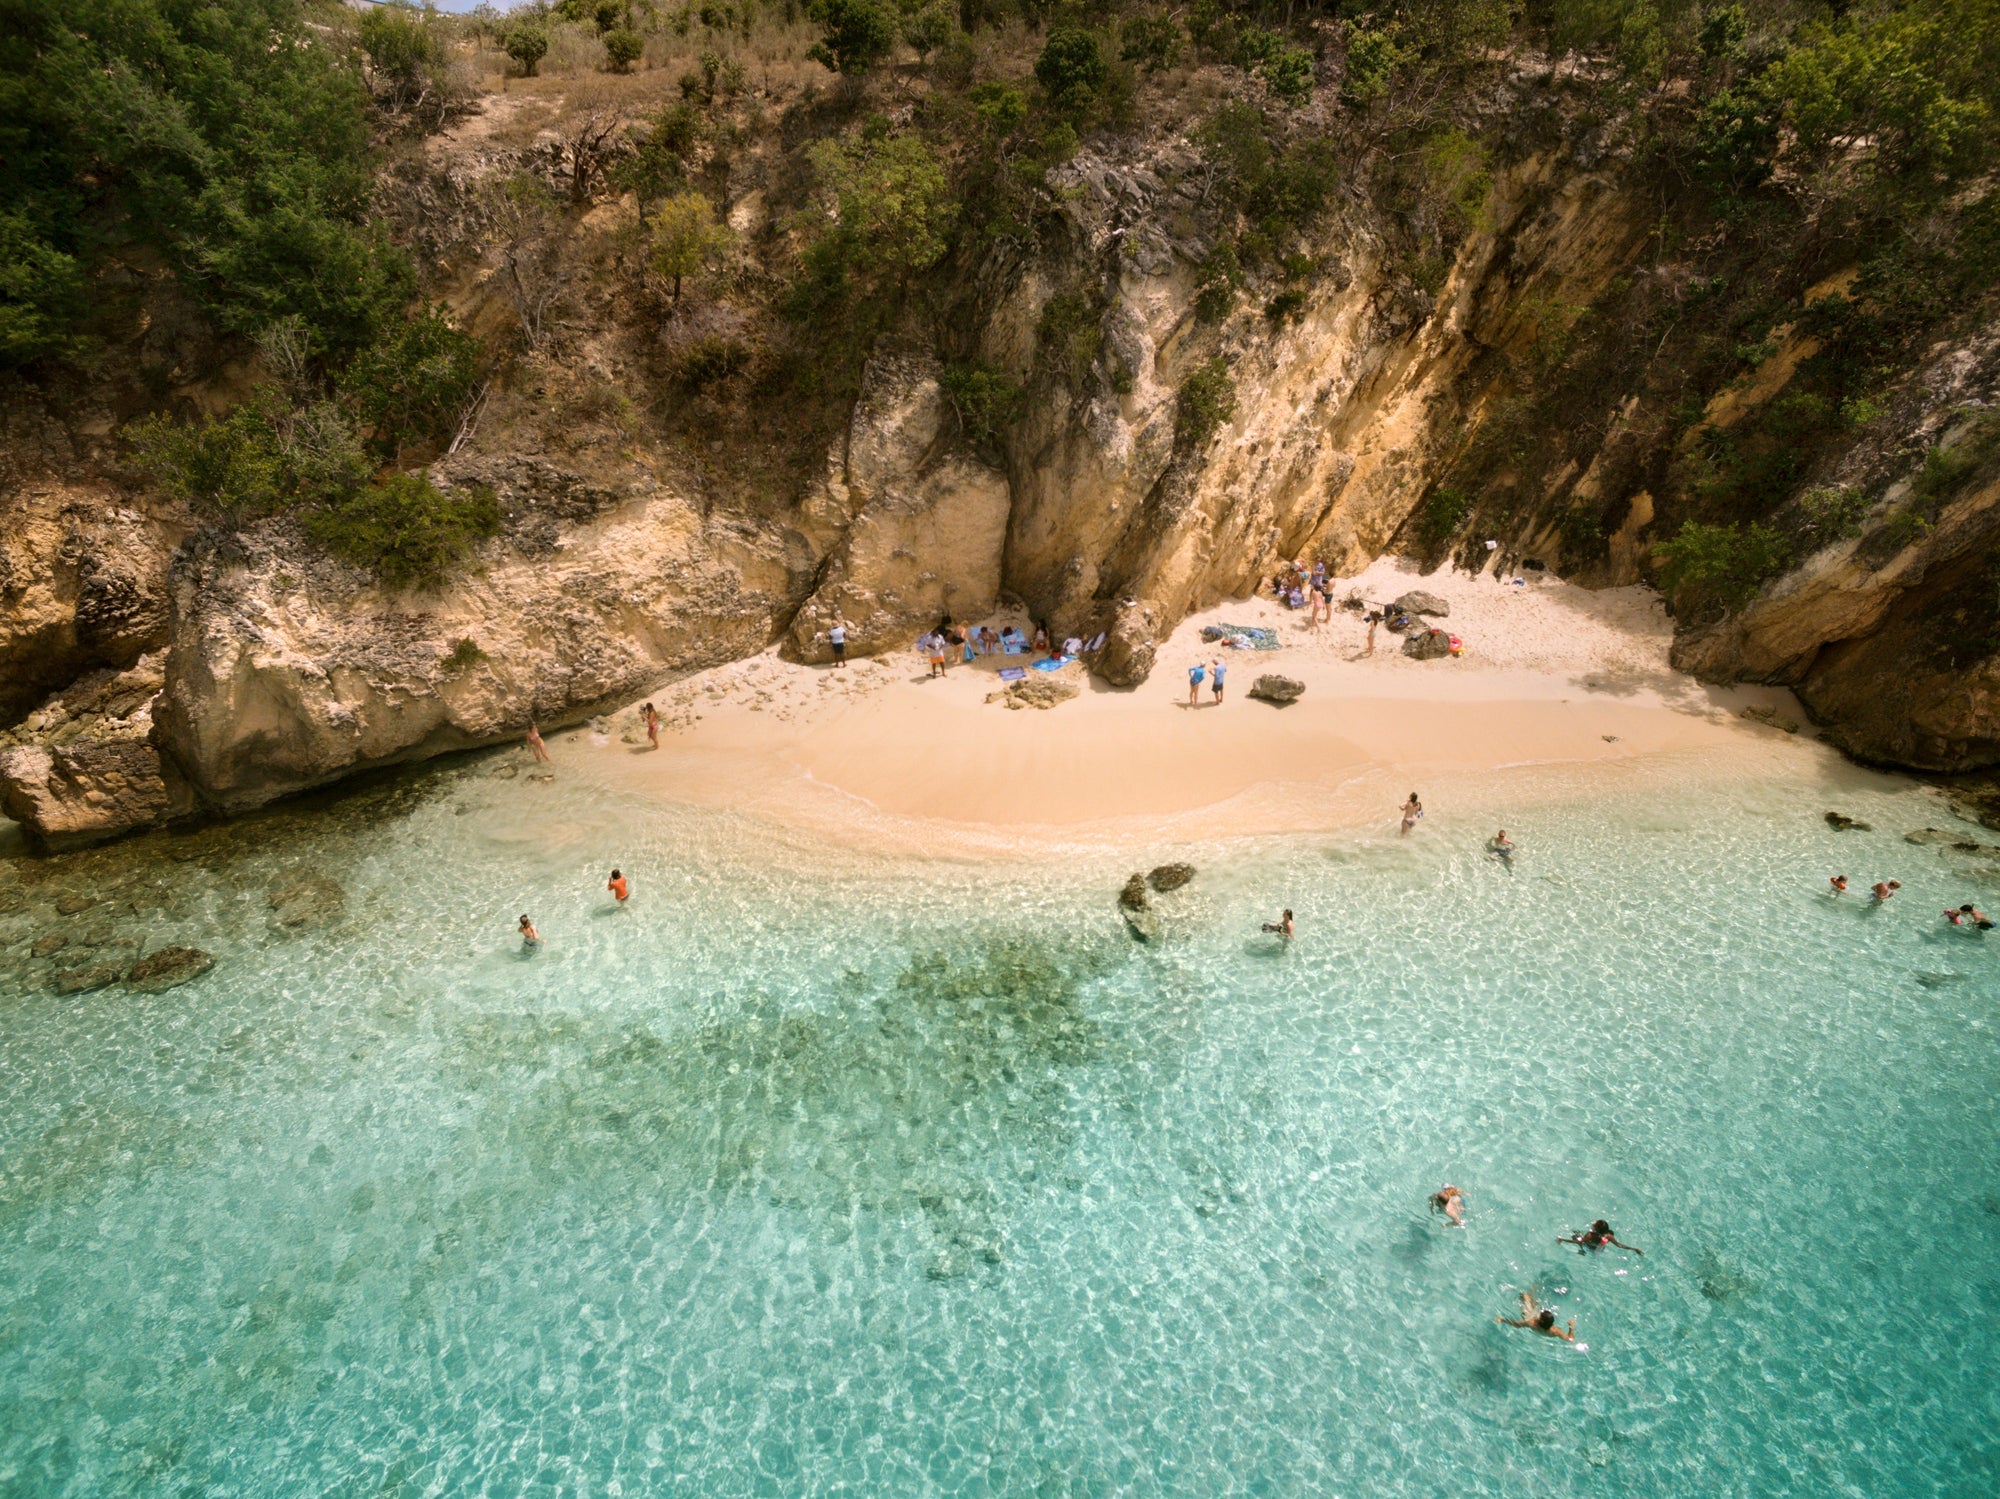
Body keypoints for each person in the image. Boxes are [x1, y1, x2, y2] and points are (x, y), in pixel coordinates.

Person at [1497, 1292, 1574, 1341]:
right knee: (1535, 1303)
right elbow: (1570, 1339)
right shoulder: (1554, 1331)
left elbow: (1517, 1325)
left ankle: (1524, 1295)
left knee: (1525, 1296)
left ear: (1540, 1319)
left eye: (1540, 1315)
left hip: (1528, 1316)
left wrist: (1503, 1320)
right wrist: (1571, 1327)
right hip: (1541, 1329)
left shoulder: (1532, 1323)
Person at [1559, 1219, 1643, 1256]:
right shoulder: (1609, 1236)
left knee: (1575, 1234)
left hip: (1590, 1246)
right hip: (1599, 1249)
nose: (1594, 1222)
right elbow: (1619, 1245)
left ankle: (1582, 1252)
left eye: (1595, 1224)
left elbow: (1579, 1242)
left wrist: (1562, 1240)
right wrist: (1635, 1249)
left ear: (1596, 1228)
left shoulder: (1590, 1235)